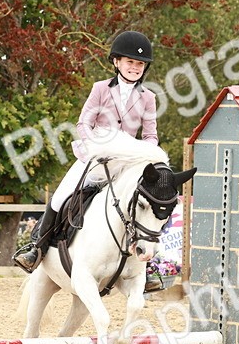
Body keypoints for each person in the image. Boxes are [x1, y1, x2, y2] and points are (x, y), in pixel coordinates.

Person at [14, 31, 158, 272]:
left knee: (148, 204)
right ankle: (36, 249)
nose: (135, 67)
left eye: (140, 64)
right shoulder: (100, 89)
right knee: (60, 196)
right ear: (116, 62)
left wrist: (144, 154)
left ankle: (148, 269)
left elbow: (151, 136)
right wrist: (96, 147)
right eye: (130, 62)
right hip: (95, 158)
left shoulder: (148, 97)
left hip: (125, 164)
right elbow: (83, 124)